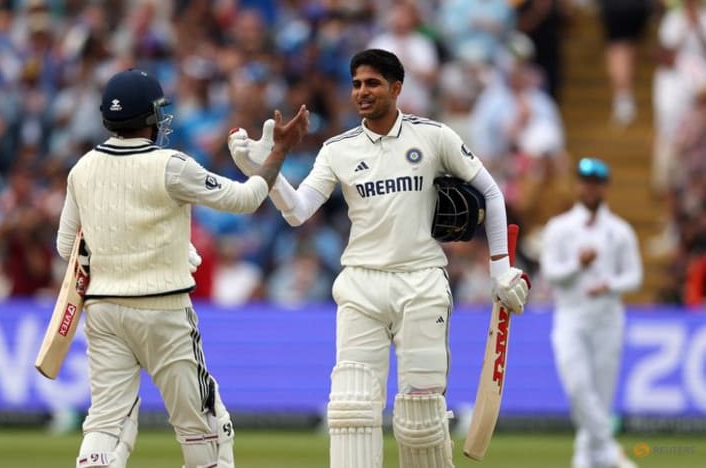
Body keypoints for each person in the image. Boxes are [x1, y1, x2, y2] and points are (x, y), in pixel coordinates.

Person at [228, 49, 531, 468]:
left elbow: (492, 193)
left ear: (396, 88)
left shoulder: (434, 137)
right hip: (361, 285)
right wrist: (268, 171)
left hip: (421, 282)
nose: (362, 92)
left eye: (372, 83)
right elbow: (298, 212)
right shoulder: (338, 149)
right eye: (356, 84)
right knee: (352, 411)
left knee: (421, 419)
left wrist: (500, 270)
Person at [55, 69, 308, 468]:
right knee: (206, 428)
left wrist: (146, 245)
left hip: (103, 311)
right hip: (163, 310)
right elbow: (244, 199)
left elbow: (66, 247)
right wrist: (277, 153)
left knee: (105, 424)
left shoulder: (82, 168)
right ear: (149, 116)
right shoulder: (170, 164)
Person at [540, 157, 642, 468]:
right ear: (577, 185)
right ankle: (609, 452)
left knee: (601, 397)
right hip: (571, 318)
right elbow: (551, 273)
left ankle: (586, 458)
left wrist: (609, 285)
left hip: (608, 320)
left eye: (596, 183)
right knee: (578, 388)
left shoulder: (620, 231)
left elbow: (634, 277)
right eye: (585, 182)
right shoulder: (559, 228)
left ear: (605, 188)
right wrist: (578, 265)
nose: (590, 188)